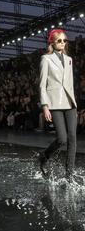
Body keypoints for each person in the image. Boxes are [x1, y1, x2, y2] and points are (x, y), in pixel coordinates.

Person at [38, 29, 77, 181]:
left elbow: (70, 84)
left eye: (64, 40)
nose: (62, 43)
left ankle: (69, 175)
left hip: (69, 102)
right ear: (52, 43)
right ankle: (44, 156)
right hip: (54, 102)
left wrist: (74, 103)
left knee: (73, 138)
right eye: (59, 40)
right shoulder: (45, 59)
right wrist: (45, 105)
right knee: (62, 139)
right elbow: (42, 85)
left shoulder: (69, 59)